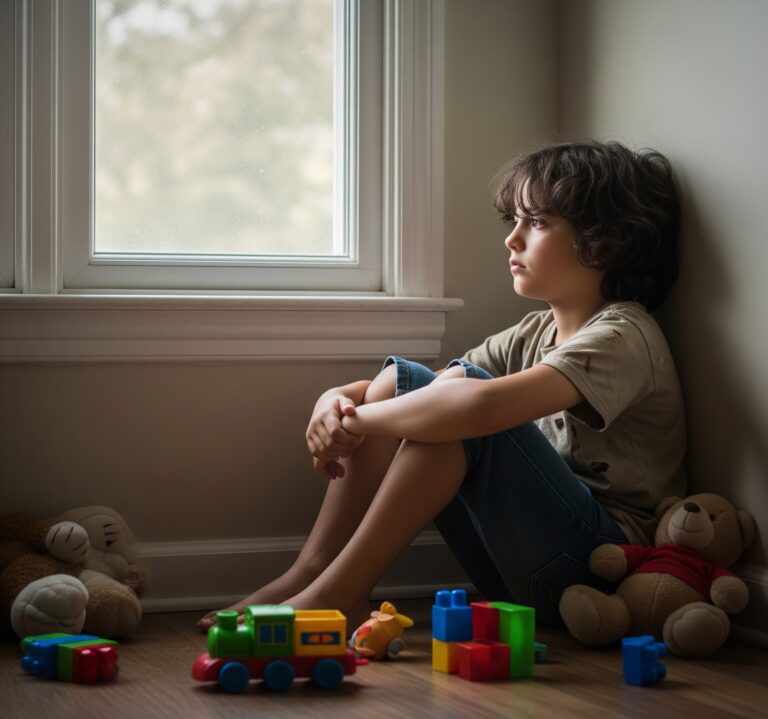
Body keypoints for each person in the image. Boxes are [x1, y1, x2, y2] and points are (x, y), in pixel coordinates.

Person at [198, 139, 687, 632]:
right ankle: (312, 572)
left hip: (603, 571)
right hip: (518, 568)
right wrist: (336, 400)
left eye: (536, 222)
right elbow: (421, 391)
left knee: (456, 411)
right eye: (514, 221)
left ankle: (337, 592)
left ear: (607, 241)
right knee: (409, 384)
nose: (511, 240)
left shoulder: (624, 335)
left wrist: (357, 421)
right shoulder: (534, 333)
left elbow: (476, 408)